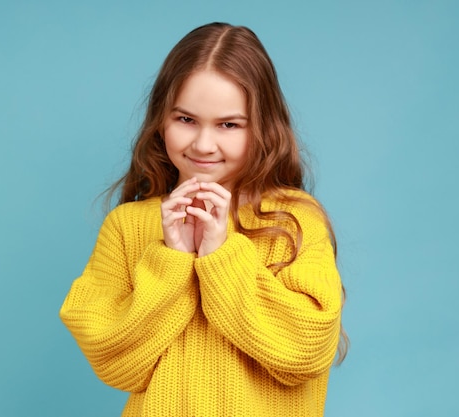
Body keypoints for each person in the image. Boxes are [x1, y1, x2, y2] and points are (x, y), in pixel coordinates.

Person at [60, 22, 348, 417]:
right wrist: (171, 261)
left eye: (229, 125)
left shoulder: (293, 221)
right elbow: (112, 357)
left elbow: (307, 352)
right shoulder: (128, 226)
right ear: (161, 119)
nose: (203, 145)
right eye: (186, 120)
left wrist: (223, 256)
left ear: (263, 127)